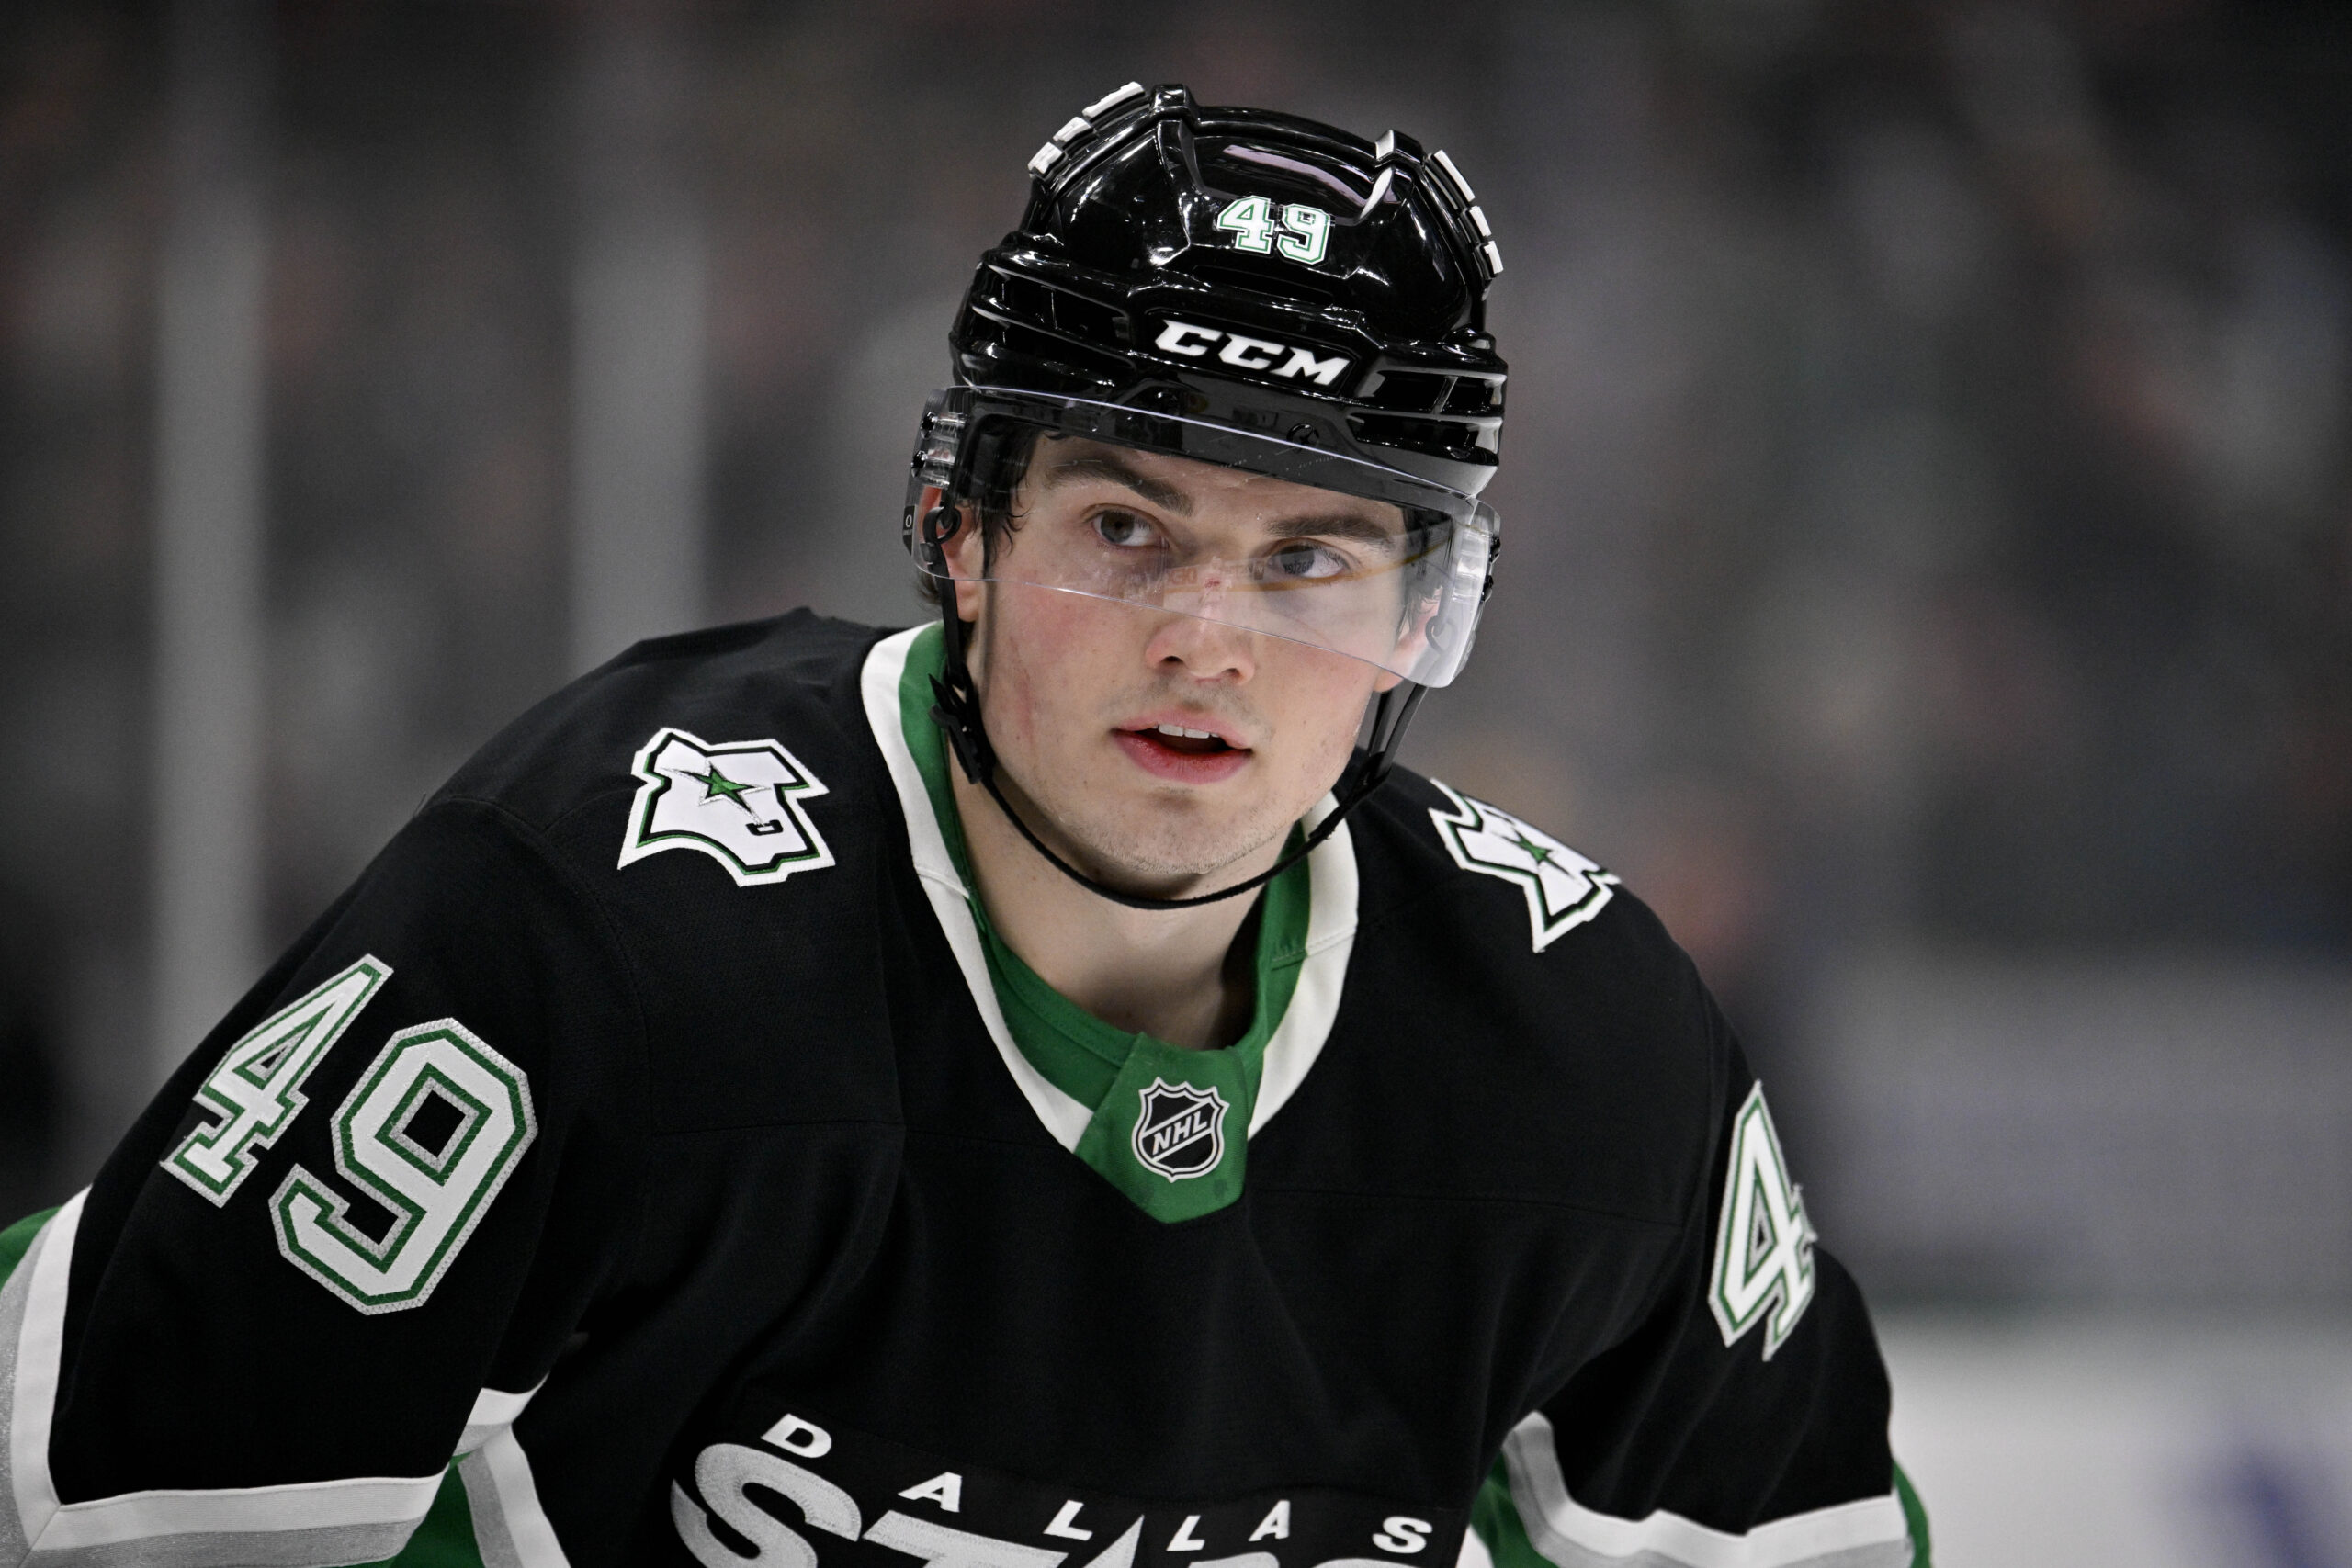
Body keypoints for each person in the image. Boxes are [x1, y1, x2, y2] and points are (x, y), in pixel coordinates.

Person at [0, 84, 1927, 1568]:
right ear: (960, 534)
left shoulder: (1581, 1048)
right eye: (1126, 527)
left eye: (1309, 560)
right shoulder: (607, 915)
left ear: (1420, 622)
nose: (1208, 638)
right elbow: (93, 1493)